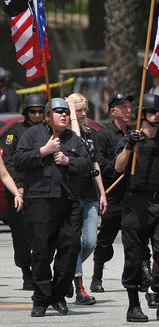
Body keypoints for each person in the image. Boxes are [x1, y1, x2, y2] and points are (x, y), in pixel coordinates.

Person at [15, 97, 93, 317]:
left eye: (66, 112)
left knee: (70, 250)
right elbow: (18, 161)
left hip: (68, 201)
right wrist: (43, 151)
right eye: (58, 112)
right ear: (48, 115)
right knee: (40, 252)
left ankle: (58, 294)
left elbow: (87, 163)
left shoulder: (74, 139)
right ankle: (40, 298)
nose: (64, 116)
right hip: (40, 201)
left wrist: (69, 161)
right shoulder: (32, 135)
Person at [114, 93, 159, 322]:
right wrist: (130, 146)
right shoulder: (131, 140)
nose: (157, 115)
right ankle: (133, 305)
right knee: (134, 258)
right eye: (152, 112)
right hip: (136, 204)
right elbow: (118, 167)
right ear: (143, 115)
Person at [90, 93, 153, 294]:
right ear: (113, 112)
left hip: (133, 193)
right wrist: (122, 168)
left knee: (139, 236)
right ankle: (97, 276)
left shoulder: (136, 133)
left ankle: (144, 275)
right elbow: (102, 164)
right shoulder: (103, 135)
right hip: (113, 193)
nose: (128, 110)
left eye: (129, 106)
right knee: (106, 237)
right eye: (123, 107)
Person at [66, 93, 108, 306]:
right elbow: (76, 140)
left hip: (90, 194)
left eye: (85, 110)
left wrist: (102, 192)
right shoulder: (67, 133)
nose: (82, 114)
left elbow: (95, 163)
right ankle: (78, 287)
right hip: (72, 194)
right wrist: (70, 109)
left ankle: (64, 270)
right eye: (78, 110)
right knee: (75, 242)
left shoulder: (91, 133)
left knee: (90, 242)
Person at [2, 93, 46, 290]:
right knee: (21, 236)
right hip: (18, 191)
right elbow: (9, 162)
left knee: (42, 236)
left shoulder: (48, 131)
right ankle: (26, 273)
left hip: (43, 190)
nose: (37, 115)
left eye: (40, 111)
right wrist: (19, 186)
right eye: (33, 112)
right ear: (26, 112)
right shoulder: (15, 132)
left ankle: (41, 272)